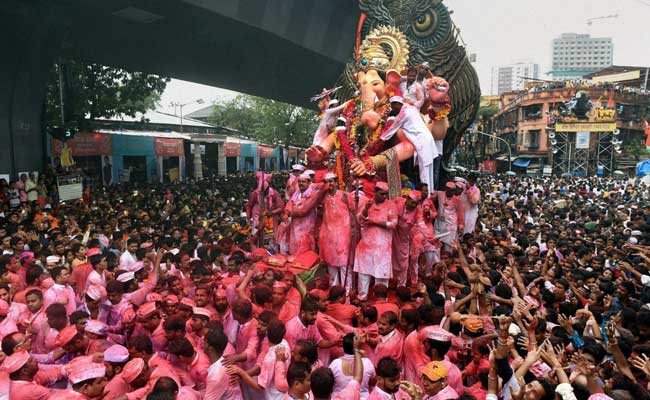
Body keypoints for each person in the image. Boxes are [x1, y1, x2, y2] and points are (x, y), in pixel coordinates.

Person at [353, 182, 397, 301]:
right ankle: (362, 297)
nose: (384, 196)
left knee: (381, 274)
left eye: (386, 194)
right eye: (382, 194)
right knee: (364, 272)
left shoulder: (391, 205)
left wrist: (375, 222)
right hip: (366, 245)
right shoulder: (367, 203)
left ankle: (381, 299)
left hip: (383, 247)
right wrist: (366, 209)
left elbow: (393, 224)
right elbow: (360, 220)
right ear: (375, 192)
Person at [319, 172, 357, 293]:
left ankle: (347, 292)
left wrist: (354, 229)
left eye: (331, 181)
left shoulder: (345, 195)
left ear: (336, 182)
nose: (329, 184)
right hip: (329, 235)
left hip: (344, 235)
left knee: (345, 265)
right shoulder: (323, 197)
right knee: (331, 264)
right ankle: (334, 291)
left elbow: (354, 212)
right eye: (326, 182)